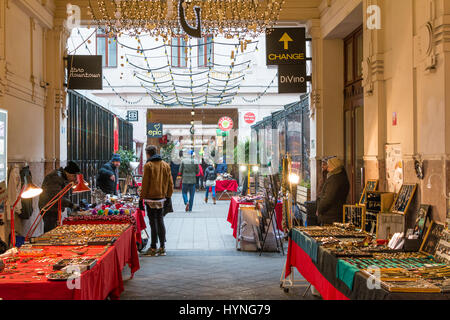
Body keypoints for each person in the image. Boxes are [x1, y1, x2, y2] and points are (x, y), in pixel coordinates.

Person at [139, 145, 174, 257]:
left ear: (148, 154)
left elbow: (145, 184)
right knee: (160, 221)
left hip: (150, 198)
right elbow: (170, 183)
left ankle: (153, 247)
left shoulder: (148, 166)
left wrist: (141, 198)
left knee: (152, 222)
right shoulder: (165, 165)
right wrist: (168, 196)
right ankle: (162, 247)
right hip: (162, 198)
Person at [39, 161, 80, 233]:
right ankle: (49, 244)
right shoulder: (55, 178)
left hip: (53, 208)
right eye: (74, 176)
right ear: (70, 174)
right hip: (49, 208)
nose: (74, 179)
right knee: (51, 231)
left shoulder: (61, 177)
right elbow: (56, 197)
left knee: (54, 229)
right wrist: (71, 205)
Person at [316, 157, 350, 225]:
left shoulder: (334, 180)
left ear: (334, 166)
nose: (327, 168)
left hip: (330, 216)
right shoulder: (342, 177)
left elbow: (328, 198)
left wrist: (319, 209)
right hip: (335, 215)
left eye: (329, 166)